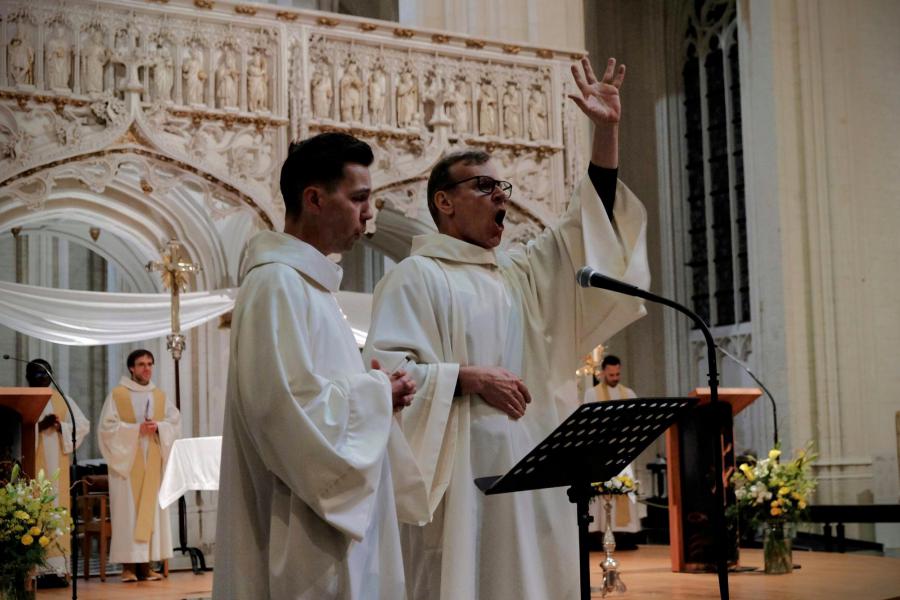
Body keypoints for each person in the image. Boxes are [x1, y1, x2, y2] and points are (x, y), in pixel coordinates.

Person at [363, 57, 650, 600]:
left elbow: (583, 230)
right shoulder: (414, 277)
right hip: (460, 476)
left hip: (532, 463)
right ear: (443, 203)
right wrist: (464, 377)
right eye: (484, 185)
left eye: (503, 185)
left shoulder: (517, 274)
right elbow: (386, 377)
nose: (503, 196)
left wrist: (605, 134)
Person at [213, 132, 417, 600]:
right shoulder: (276, 287)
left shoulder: (311, 287)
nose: (370, 214)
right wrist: (376, 393)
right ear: (314, 199)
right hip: (305, 534)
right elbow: (285, 415)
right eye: (359, 198)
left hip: (334, 524)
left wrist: (377, 390)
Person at [98, 349, 180, 582]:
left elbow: (174, 423)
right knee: (129, 513)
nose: (147, 368)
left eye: (150, 364)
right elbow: (106, 429)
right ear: (131, 368)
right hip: (127, 462)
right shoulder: (118, 395)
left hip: (153, 459)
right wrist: (136, 430)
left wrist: (160, 427)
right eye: (141, 364)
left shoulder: (160, 396)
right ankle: (129, 567)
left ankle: (147, 566)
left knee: (151, 512)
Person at [27, 359, 89, 587]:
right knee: (36, 516)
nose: (41, 377)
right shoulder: (24, 401)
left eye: (44, 373)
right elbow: (13, 431)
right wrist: (38, 427)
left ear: (51, 375)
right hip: (33, 472)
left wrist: (62, 426)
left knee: (57, 516)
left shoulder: (63, 400)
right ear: (28, 378)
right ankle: (36, 572)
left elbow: (82, 426)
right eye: (35, 374)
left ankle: (57, 571)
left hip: (58, 472)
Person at [584, 354, 642, 544]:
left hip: (623, 450)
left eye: (617, 374)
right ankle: (600, 532)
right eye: (611, 375)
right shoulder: (592, 394)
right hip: (602, 449)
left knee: (623, 486)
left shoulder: (629, 393)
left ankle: (625, 534)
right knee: (602, 490)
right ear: (603, 373)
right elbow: (588, 421)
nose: (615, 378)